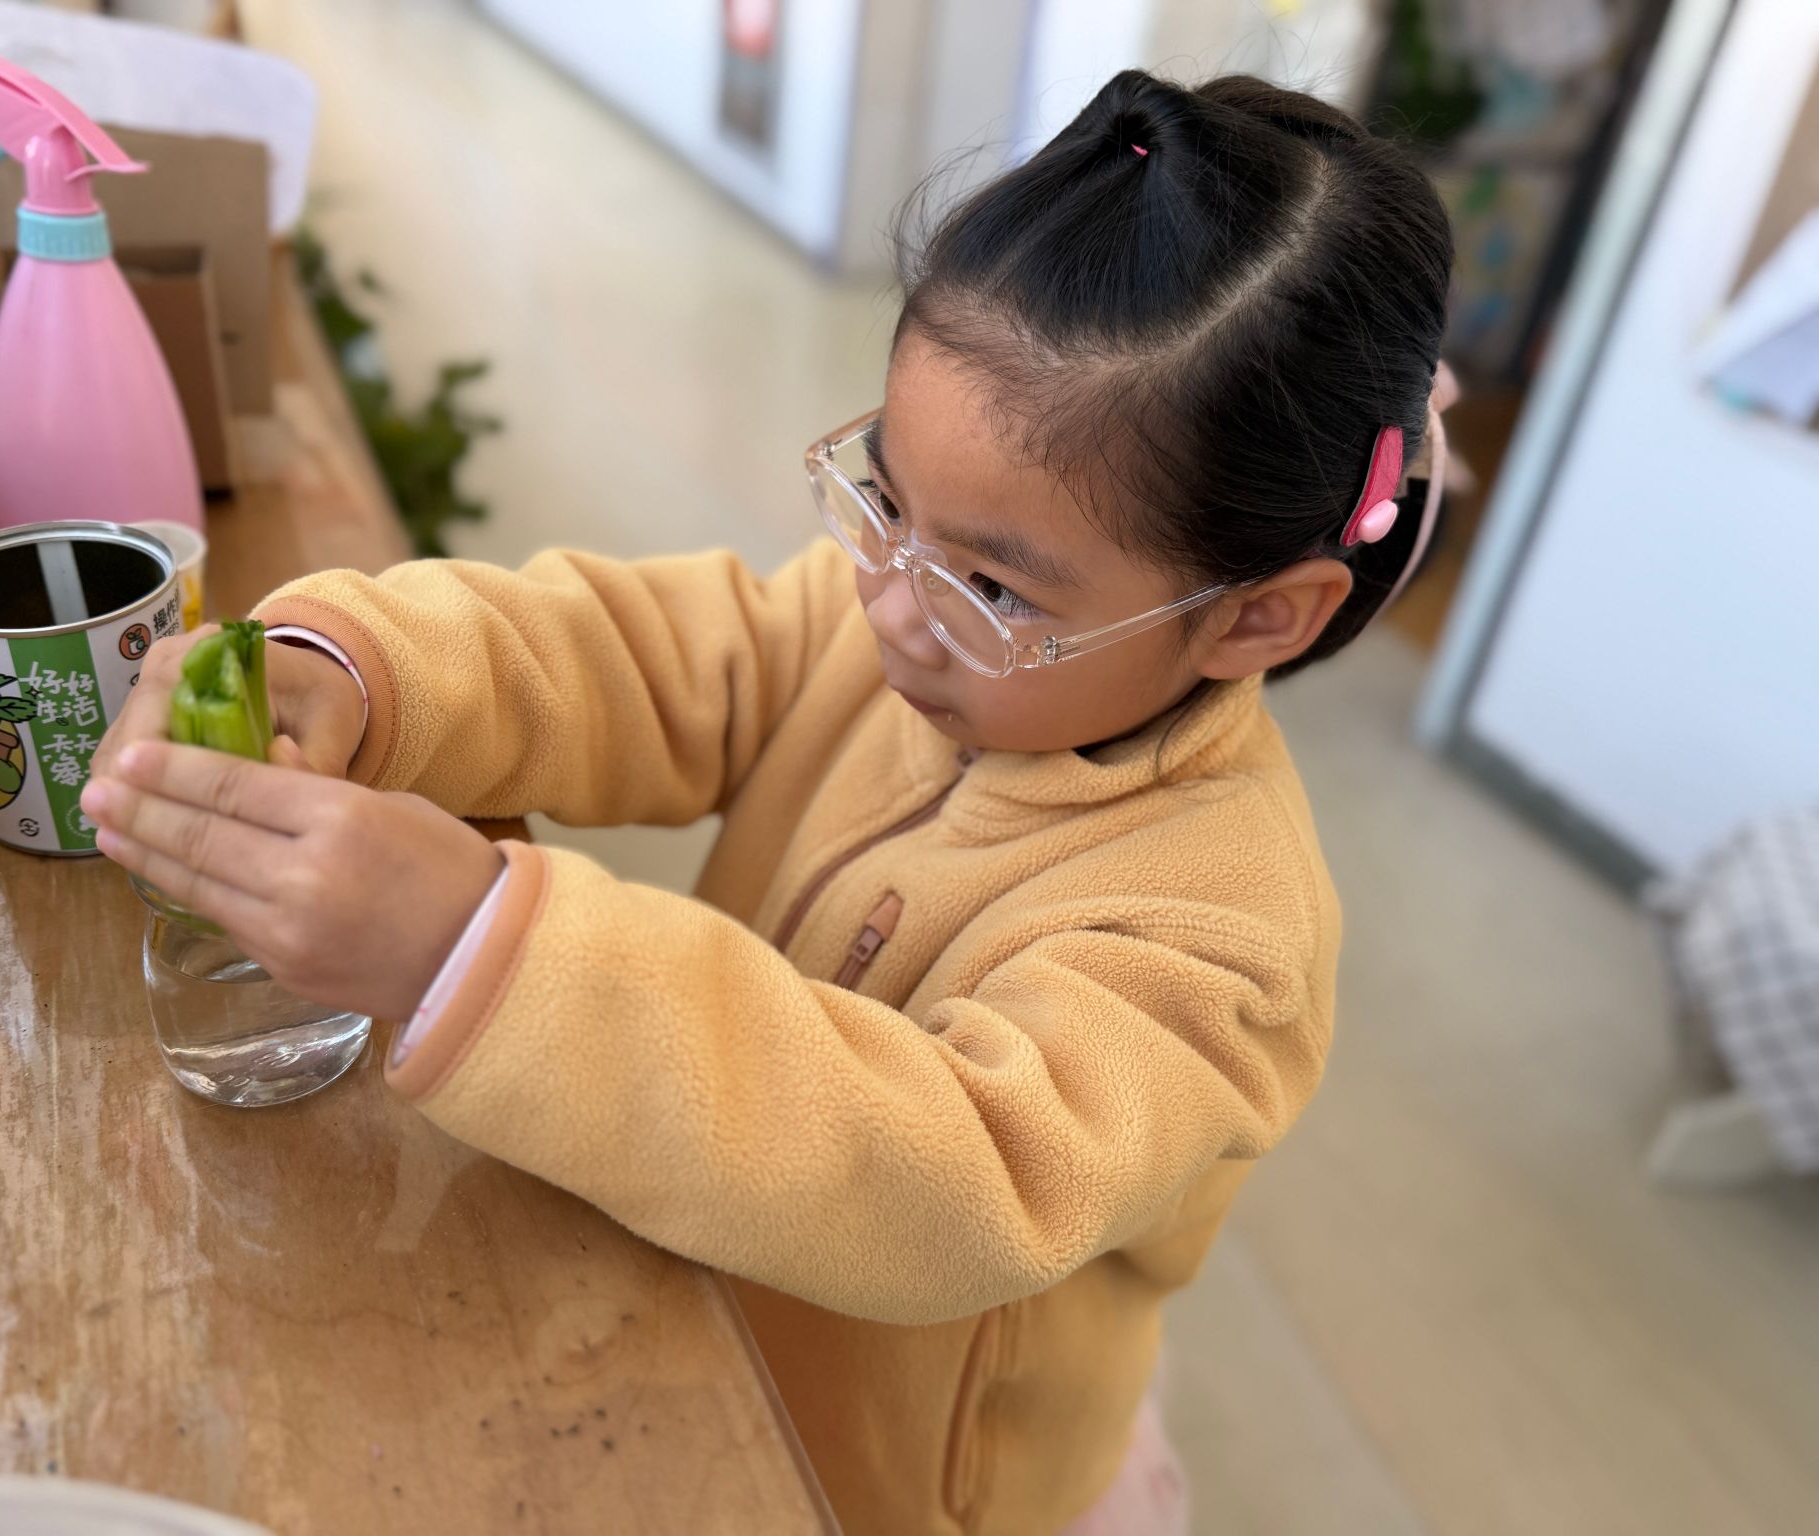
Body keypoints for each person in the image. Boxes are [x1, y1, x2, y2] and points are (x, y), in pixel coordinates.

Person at [84, 68, 1453, 1536]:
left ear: (1258, 618)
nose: (892, 605)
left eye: (996, 586)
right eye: (887, 499)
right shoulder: (911, 627)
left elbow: (953, 1180)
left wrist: (469, 950)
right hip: (710, 1315)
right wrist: (355, 669)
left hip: (912, 1486)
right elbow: (633, 658)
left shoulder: (1222, 931)